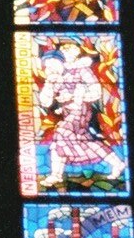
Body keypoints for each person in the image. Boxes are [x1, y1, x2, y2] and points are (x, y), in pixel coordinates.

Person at [37, 43, 125, 190]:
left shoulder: (83, 70)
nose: (50, 68)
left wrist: (74, 96)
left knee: (61, 133)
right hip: (67, 113)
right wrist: (49, 84)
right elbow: (46, 102)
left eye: (53, 64)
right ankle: (117, 163)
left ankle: (56, 174)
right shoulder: (58, 77)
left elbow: (96, 92)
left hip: (81, 111)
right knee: (81, 142)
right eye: (48, 66)